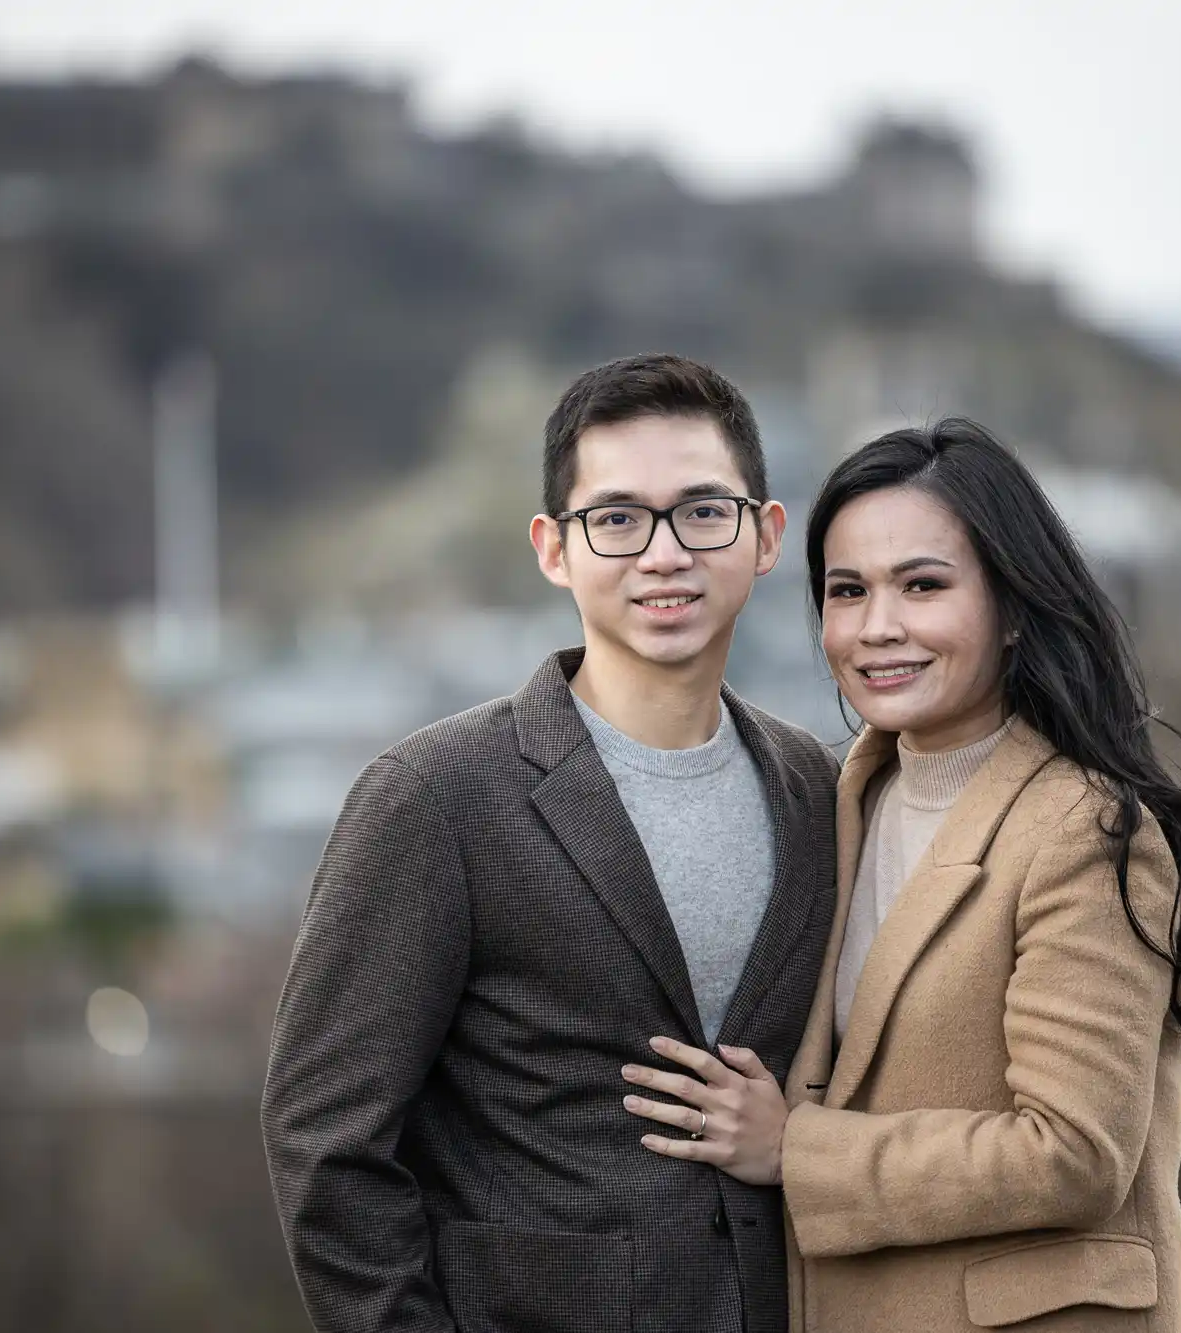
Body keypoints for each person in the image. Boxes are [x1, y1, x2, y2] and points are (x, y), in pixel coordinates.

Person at [620, 418, 1181, 1332]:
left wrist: (797, 1148)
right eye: (847, 590)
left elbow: (1075, 1153)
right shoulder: (841, 800)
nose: (878, 627)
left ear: (1012, 609)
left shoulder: (1082, 828)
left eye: (922, 585)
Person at [261, 353, 841, 1333]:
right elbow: (323, 1141)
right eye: (615, 519)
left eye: (702, 511)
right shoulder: (434, 799)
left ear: (765, 534)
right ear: (552, 548)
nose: (663, 553)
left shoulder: (819, 790)